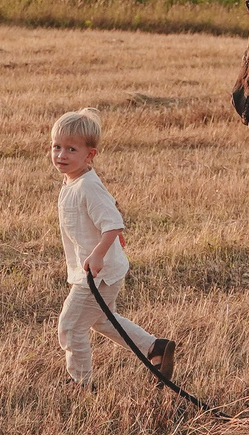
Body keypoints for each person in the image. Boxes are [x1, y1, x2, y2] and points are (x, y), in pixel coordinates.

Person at [48, 109, 178, 390]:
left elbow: (113, 224)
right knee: (103, 320)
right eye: (56, 147)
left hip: (99, 273)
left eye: (71, 149)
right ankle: (155, 347)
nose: (61, 154)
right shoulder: (73, 181)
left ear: (90, 155)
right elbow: (108, 216)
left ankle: (80, 383)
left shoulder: (87, 187)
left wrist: (99, 252)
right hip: (98, 270)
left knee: (70, 328)